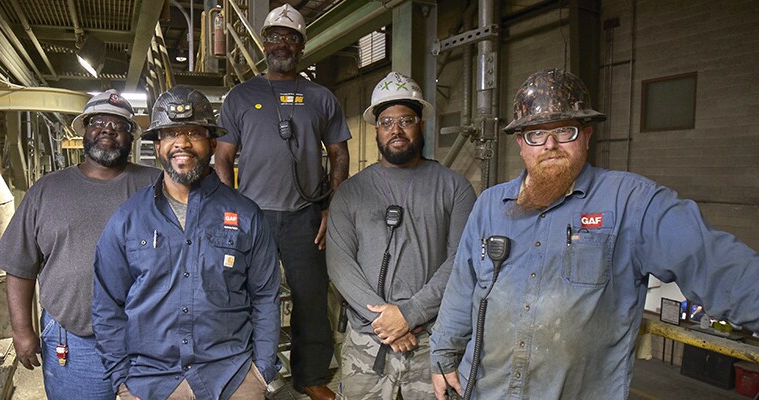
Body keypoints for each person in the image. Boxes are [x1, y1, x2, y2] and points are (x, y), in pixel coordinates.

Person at [429, 68, 759, 400]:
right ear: (521, 144)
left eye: (565, 131)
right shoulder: (490, 205)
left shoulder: (631, 203)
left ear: (587, 135)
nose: (550, 145)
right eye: (536, 135)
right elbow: (463, 287)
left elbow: (717, 265)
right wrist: (443, 354)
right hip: (485, 391)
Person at [92, 86, 280, 400]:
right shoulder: (127, 219)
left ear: (212, 143)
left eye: (193, 132)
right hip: (149, 381)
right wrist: (122, 380)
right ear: (158, 144)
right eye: (170, 133)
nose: (182, 142)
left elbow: (265, 296)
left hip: (232, 376)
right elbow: (107, 306)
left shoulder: (246, 215)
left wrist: (260, 370)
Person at [214, 4, 351, 399]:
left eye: (291, 37)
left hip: (305, 215)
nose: (282, 44)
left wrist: (332, 207)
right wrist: (232, 209)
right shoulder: (241, 96)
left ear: (302, 46)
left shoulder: (321, 97)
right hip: (253, 216)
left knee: (310, 298)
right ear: (263, 44)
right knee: (245, 296)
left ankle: (310, 376)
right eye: (274, 36)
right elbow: (223, 158)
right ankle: (252, 371)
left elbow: (339, 155)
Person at [0, 90, 158, 399]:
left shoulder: (157, 185)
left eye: (118, 124)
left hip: (149, 341)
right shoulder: (47, 191)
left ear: (131, 136)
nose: (108, 128)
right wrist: (22, 330)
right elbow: (19, 266)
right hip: (75, 339)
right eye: (98, 122)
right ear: (84, 132)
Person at [326, 72, 476, 399]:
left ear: (421, 124)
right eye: (386, 121)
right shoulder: (351, 192)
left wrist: (409, 314)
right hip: (369, 342)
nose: (396, 129)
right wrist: (387, 321)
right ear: (376, 129)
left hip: (432, 341)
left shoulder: (454, 188)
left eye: (405, 120)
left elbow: (461, 263)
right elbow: (340, 264)